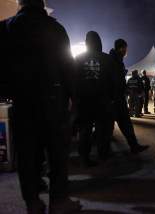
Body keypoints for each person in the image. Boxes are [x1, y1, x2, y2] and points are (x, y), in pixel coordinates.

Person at [0, 0, 82, 213]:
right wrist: (74, 100)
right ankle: (58, 201)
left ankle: (33, 202)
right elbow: (68, 67)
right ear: (41, 4)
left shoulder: (6, 27)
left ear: (20, 4)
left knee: (27, 154)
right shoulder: (55, 28)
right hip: (53, 100)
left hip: (21, 101)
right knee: (56, 153)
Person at [75, 31, 114, 166]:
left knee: (84, 129)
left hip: (84, 100)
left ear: (86, 43)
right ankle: (103, 154)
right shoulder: (107, 59)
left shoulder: (78, 58)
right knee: (102, 128)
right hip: (102, 99)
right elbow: (112, 80)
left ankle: (84, 158)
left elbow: (73, 79)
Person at [109, 39, 149, 154]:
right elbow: (114, 80)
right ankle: (104, 151)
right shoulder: (114, 60)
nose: (127, 51)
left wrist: (125, 89)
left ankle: (134, 146)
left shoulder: (117, 60)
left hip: (118, 98)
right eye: (126, 48)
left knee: (124, 123)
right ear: (121, 48)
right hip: (114, 98)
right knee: (110, 125)